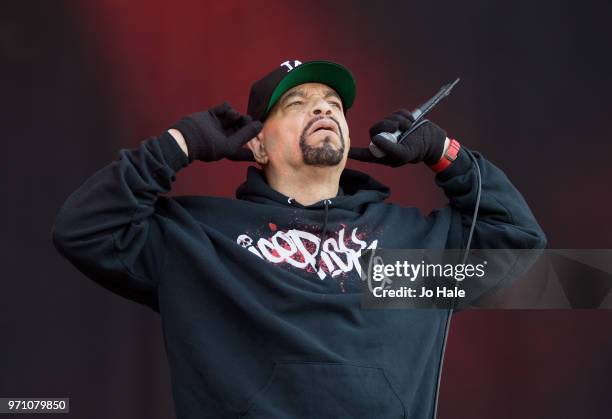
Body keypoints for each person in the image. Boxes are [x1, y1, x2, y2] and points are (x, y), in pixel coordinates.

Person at [52, 59, 546, 419]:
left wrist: (444, 151)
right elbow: (83, 229)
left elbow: (519, 242)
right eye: (297, 103)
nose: (323, 109)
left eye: (333, 104)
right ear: (257, 144)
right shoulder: (200, 242)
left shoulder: (406, 248)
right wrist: (179, 145)